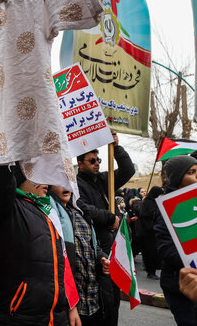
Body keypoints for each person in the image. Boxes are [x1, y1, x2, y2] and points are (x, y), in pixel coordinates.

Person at [0, 164, 80, 326]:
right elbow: (1, 180)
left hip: (56, 317)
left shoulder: (48, 211)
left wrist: (70, 306)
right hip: (19, 317)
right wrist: (4, 159)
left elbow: (61, 267)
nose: (47, 182)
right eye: (38, 174)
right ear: (21, 177)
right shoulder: (8, 208)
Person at [75, 131, 135, 326]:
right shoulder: (75, 185)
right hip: (95, 252)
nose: (97, 163)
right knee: (101, 304)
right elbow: (82, 208)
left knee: (113, 303)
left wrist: (116, 147)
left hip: (112, 250)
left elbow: (128, 170)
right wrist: (110, 218)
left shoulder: (104, 179)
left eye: (98, 159)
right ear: (81, 164)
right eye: (91, 161)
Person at [49, 185, 109, 326]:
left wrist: (102, 258)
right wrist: (70, 305)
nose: (65, 186)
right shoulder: (49, 215)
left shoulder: (81, 214)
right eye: (59, 181)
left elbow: (92, 247)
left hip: (94, 303)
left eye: (68, 182)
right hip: (71, 307)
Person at [154, 155, 197, 326]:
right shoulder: (168, 208)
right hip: (180, 286)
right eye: (191, 172)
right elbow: (165, 247)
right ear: (178, 178)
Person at [139, 186, 163, 280]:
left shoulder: (153, 202)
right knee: (150, 253)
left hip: (153, 232)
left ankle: (153, 269)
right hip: (147, 233)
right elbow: (146, 215)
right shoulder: (149, 203)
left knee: (154, 252)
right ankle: (151, 271)